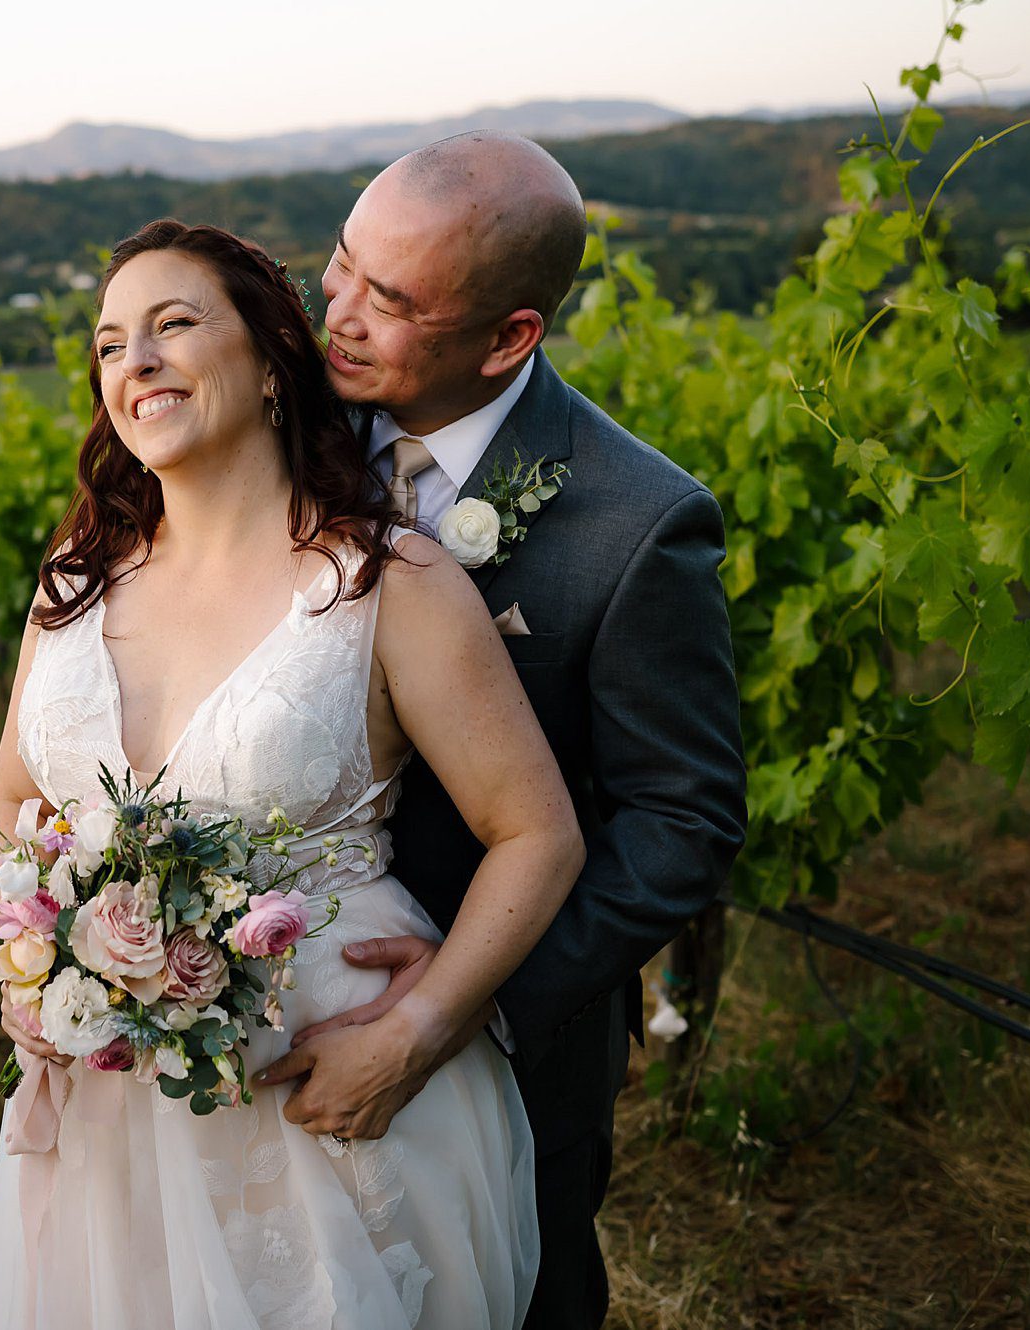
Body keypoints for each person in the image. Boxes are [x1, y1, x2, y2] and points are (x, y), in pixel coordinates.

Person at [0, 219, 585, 1328]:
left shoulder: (391, 582)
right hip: (109, 1118)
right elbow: (10, 807)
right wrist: (29, 961)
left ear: (270, 360)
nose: (133, 361)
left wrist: (417, 1028)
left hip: (325, 1107)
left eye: (172, 325)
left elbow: (537, 833)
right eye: (107, 345)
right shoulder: (73, 582)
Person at [257, 132, 748, 1330]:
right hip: (269, 1005)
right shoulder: (272, 435)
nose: (340, 314)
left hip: (518, 1044)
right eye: (339, 265)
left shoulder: (636, 523)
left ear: (507, 338)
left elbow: (683, 821)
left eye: (392, 299)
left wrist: (468, 996)